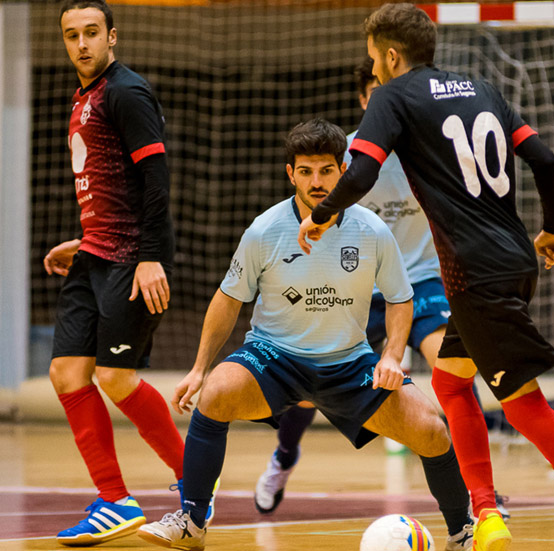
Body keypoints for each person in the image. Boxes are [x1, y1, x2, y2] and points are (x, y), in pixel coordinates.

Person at [297, 4, 554, 551]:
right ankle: (486, 514)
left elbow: (364, 170)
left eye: (373, 59)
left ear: (391, 55)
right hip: (513, 258)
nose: (371, 69)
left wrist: (321, 216)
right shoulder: (480, 88)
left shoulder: (392, 96)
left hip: (473, 273)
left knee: (524, 407)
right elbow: (544, 159)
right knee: (449, 382)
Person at [137, 119, 476, 550]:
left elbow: (399, 299)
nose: (316, 182)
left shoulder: (371, 230)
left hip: (350, 363)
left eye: (326, 171)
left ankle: (462, 531)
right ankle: (192, 520)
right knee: (217, 392)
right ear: (290, 173)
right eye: (306, 171)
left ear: (344, 170)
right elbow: (228, 299)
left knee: (432, 429)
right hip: (274, 357)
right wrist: (200, 368)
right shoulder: (264, 230)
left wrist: (390, 355)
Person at [254, 59, 509, 522]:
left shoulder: (430, 150)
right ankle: (285, 456)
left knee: (451, 371)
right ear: (363, 102)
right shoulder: (342, 159)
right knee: (309, 389)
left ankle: (481, 494)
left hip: (424, 282)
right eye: (378, 96)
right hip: (358, 288)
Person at [45, 1, 186, 545]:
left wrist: (150, 256)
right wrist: (83, 240)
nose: (81, 44)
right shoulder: (83, 96)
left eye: (91, 33)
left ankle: (192, 477)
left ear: (112, 37)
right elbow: (110, 183)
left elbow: (155, 179)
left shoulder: (125, 91)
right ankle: (114, 501)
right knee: (66, 375)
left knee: (116, 378)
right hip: (96, 255)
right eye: (71, 35)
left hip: (133, 259)